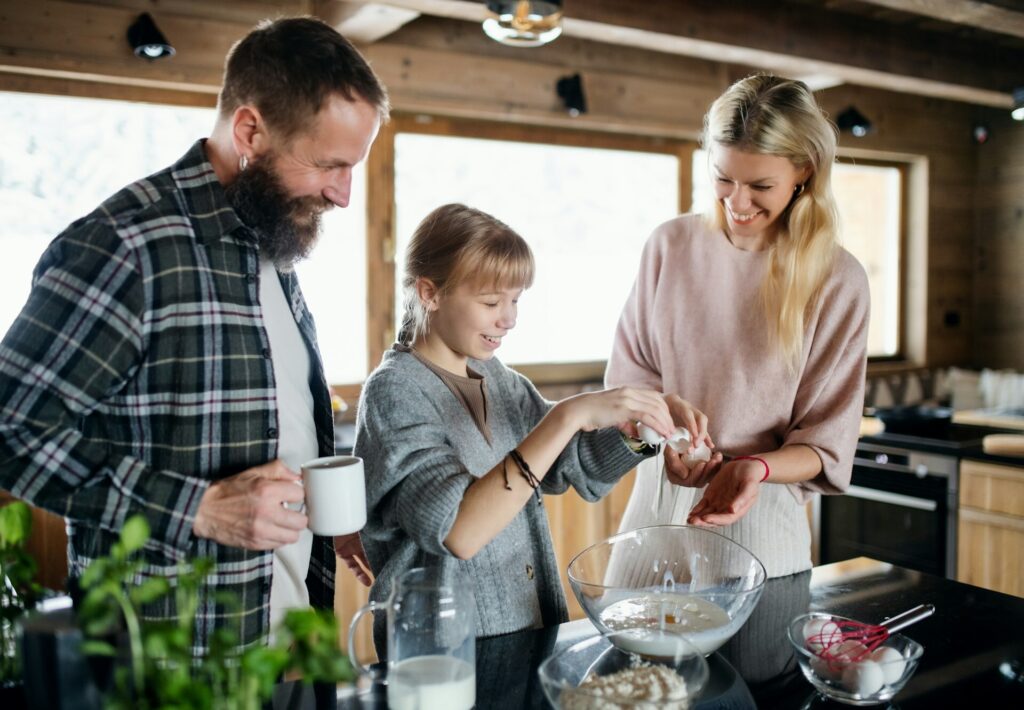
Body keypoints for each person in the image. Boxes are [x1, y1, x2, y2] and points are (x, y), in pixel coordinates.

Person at [0, 17, 388, 651]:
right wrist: (200, 508)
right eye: (329, 165)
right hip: (174, 658)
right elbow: (11, 429)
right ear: (249, 131)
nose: (344, 196)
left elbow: (268, 419)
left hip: (286, 637)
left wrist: (330, 517)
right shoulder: (126, 247)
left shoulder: (270, 240)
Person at [353, 203, 703, 653]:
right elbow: (459, 532)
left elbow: (564, 461)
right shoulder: (394, 393)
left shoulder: (499, 380)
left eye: (515, 300)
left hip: (528, 627)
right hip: (442, 655)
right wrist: (566, 415)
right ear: (429, 293)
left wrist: (641, 429)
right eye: (491, 302)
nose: (510, 318)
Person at [606, 74, 869, 578]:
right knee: (633, 655)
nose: (738, 202)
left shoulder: (838, 280)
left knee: (755, 661)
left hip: (759, 510)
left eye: (760, 186)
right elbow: (628, 379)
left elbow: (825, 444)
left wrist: (755, 467)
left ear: (805, 173)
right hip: (656, 497)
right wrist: (661, 423)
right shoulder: (669, 245)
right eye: (724, 178)